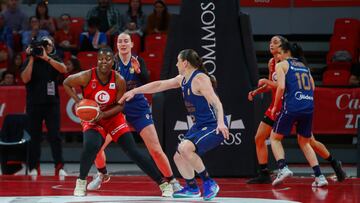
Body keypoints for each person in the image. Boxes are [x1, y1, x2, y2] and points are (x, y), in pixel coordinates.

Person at [119, 49, 229, 201]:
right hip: (199, 125)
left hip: (214, 125)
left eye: (178, 61)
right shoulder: (182, 79)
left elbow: (216, 103)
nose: (176, 64)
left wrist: (221, 122)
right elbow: (159, 85)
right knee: (178, 157)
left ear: (185, 63)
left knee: (185, 148)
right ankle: (192, 188)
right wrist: (135, 91)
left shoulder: (200, 79)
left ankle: (209, 182)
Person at [63, 47, 173, 197]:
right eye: (101, 59)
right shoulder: (87, 76)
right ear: (97, 61)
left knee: (133, 152)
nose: (104, 62)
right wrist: (79, 102)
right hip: (94, 120)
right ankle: (81, 182)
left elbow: (121, 105)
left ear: (113, 62)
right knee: (91, 145)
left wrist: (103, 114)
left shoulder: (119, 80)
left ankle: (163, 183)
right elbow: (66, 82)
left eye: (107, 59)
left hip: (113, 118)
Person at [86, 33, 181, 197]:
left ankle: (172, 181)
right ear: (117, 45)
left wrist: (138, 70)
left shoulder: (138, 60)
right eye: (120, 41)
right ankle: (101, 174)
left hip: (138, 108)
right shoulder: (112, 62)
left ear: (131, 44)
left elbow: (145, 80)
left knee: (155, 149)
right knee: (97, 146)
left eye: (126, 41)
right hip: (117, 109)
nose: (123, 44)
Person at [247, 36, 346, 184]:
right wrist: (258, 90)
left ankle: (333, 163)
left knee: (308, 141)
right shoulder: (272, 63)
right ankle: (264, 173)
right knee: (259, 137)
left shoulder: (287, 63)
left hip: (288, 105)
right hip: (279, 104)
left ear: (283, 47)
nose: (271, 45)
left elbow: (282, 85)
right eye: (270, 42)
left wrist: (268, 83)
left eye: (275, 42)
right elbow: (273, 85)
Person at [269, 41, 328, 187]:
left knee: (275, 138)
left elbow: (281, 87)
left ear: (286, 52)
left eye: (279, 53)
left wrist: (276, 106)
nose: (278, 56)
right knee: (304, 142)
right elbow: (313, 87)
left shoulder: (282, 65)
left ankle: (283, 168)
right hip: (308, 106)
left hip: (292, 106)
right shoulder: (304, 67)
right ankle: (320, 176)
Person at [20, 36, 67, 176]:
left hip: (51, 104)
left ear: (52, 47)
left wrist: (46, 57)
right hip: (34, 104)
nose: (46, 47)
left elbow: (63, 69)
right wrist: (33, 58)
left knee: (55, 136)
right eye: (43, 45)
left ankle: (59, 166)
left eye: (49, 45)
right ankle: (34, 167)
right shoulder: (29, 60)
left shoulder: (54, 58)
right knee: (34, 137)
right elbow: (25, 78)